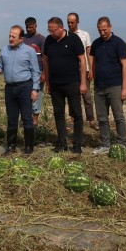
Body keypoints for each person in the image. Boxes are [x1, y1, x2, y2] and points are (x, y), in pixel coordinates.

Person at [0, 25, 40, 155]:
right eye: (9, 36)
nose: (10, 38)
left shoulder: (29, 51)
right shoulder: (4, 50)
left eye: (14, 36)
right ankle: (11, 145)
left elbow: (35, 71)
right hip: (10, 89)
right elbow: (0, 66)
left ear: (21, 38)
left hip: (25, 87)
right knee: (11, 119)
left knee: (26, 118)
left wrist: (35, 89)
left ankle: (28, 147)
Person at [43, 17, 87, 153]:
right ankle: (62, 142)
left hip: (72, 83)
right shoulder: (49, 41)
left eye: (52, 30)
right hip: (55, 84)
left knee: (77, 114)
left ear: (61, 28)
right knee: (58, 114)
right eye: (49, 30)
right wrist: (47, 82)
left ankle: (77, 144)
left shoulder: (73, 39)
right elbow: (45, 61)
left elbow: (82, 60)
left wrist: (83, 83)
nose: (50, 33)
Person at [89, 16, 126, 154]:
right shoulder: (96, 44)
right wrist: (93, 77)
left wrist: (124, 88)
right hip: (99, 86)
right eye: (100, 30)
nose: (102, 33)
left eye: (104, 30)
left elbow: (125, 65)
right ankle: (105, 145)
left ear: (110, 27)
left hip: (115, 85)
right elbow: (94, 62)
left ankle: (121, 143)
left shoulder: (118, 43)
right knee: (102, 118)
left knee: (118, 116)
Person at [67, 12, 98, 130]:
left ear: (77, 22)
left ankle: (91, 120)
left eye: (72, 22)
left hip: (84, 70)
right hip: (71, 71)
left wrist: (91, 69)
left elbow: (89, 52)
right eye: (68, 22)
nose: (69, 24)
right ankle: (72, 119)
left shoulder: (85, 35)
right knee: (72, 96)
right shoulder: (66, 36)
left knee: (87, 96)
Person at [23, 17, 46, 127]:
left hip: (38, 73)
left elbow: (45, 57)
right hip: (25, 73)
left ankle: (35, 120)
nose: (29, 29)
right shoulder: (23, 39)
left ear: (35, 26)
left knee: (37, 96)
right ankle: (27, 119)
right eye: (27, 27)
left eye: (31, 27)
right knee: (26, 96)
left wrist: (44, 73)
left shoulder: (41, 39)